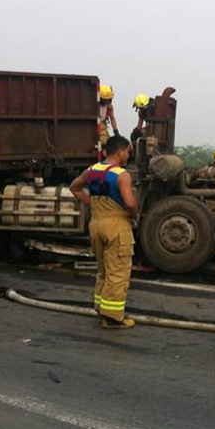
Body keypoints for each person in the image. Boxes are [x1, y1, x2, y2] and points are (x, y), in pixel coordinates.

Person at [70, 136, 138, 328]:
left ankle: (101, 310)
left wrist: (92, 203)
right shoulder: (121, 174)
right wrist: (133, 214)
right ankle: (113, 318)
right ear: (120, 151)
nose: (127, 155)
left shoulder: (92, 170)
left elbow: (74, 188)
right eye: (127, 151)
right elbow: (131, 203)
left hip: (96, 224)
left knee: (103, 271)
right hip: (116, 226)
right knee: (117, 272)